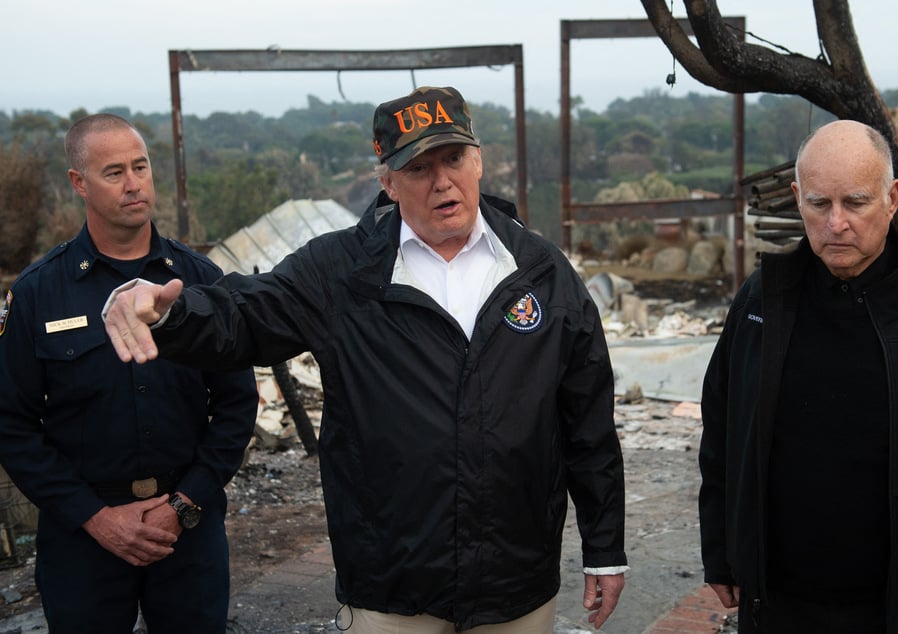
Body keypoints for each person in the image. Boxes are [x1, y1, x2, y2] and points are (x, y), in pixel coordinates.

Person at [102, 86, 628, 633]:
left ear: (479, 159)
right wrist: (173, 313)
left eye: (453, 159)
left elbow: (587, 422)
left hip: (516, 584)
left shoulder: (541, 271)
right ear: (387, 183)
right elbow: (246, 313)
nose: (442, 181)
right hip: (389, 589)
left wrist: (605, 548)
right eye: (418, 168)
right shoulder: (341, 272)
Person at [0, 114, 259, 633]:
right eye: (114, 172)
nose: (134, 182)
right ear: (79, 183)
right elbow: (12, 424)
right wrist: (97, 519)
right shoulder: (37, 293)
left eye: (140, 166)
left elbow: (236, 405)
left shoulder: (201, 281)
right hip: (82, 538)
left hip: (188, 528)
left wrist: (182, 505)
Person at [699, 119, 898, 633]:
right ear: (796, 198)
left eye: (855, 203)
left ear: (893, 198)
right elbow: (722, 428)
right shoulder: (762, 301)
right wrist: (723, 551)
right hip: (782, 603)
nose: (836, 224)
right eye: (819, 204)